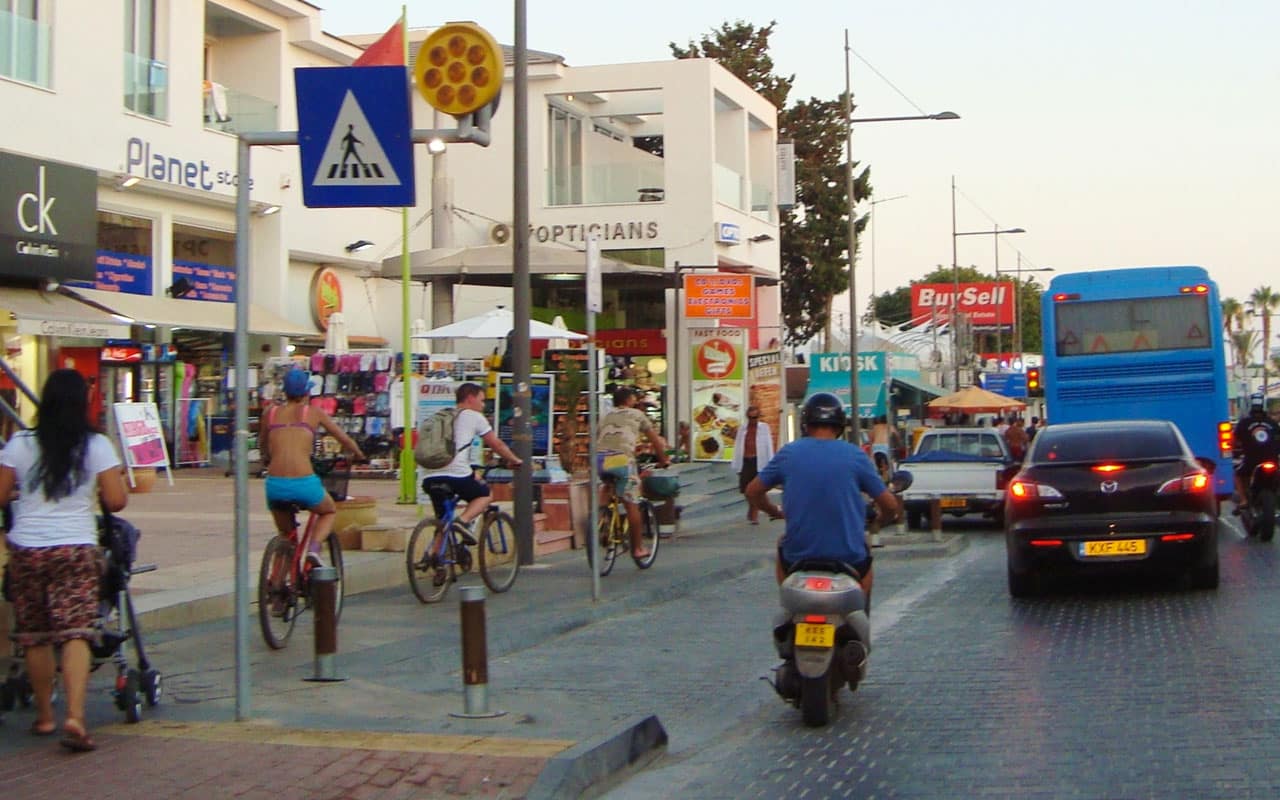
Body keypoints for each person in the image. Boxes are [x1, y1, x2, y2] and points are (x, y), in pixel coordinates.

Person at [0, 369, 128, 752]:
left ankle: (44, 717)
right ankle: (75, 716)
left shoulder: (20, 443)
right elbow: (117, 500)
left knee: (36, 635)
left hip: (27, 550)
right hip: (75, 549)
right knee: (75, 633)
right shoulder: (96, 445)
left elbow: (1, 493)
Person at [746, 392, 900, 607]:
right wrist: (881, 520)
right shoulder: (855, 456)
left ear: (806, 424)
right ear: (839, 426)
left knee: (782, 543)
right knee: (865, 554)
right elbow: (890, 505)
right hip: (848, 558)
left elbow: (752, 491)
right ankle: (860, 618)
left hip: (797, 557)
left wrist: (773, 512)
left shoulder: (789, 453)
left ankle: (790, 608)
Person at [260, 369, 366, 568]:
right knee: (328, 511)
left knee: (286, 535)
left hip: (275, 485)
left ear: (285, 391)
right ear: (306, 393)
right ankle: (314, 550)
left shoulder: (270, 413)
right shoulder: (313, 412)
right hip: (303, 482)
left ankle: (277, 585)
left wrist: (267, 458)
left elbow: (263, 446)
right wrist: (359, 455)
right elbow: (343, 438)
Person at [420, 382, 522, 583]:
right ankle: (463, 521)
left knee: (443, 521)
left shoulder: (441, 416)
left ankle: (435, 558)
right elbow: (496, 444)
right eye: (482, 400)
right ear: (470, 398)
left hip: (428, 476)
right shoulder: (474, 417)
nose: (484, 405)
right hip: (455, 474)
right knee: (484, 494)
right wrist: (514, 459)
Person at [596, 387, 670, 559]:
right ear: (629, 399)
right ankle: (637, 548)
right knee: (632, 503)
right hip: (621, 459)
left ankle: (602, 517)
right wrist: (663, 460)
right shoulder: (637, 414)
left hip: (600, 459)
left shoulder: (606, 416)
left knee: (608, 484)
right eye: (634, 398)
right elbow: (656, 440)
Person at [1233, 392, 1280, 508]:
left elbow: (1234, 441)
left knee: (1238, 475)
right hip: (1272, 460)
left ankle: (1243, 500)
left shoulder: (1244, 423)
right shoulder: (1273, 423)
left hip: (1251, 461)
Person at [731, 405, 775, 524]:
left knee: (757, 488)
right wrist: (736, 463)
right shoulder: (742, 429)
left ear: (758, 416)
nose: (753, 420)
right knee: (746, 489)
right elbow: (738, 446)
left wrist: (770, 463)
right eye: (750, 417)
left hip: (758, 461)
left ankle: (754, 513)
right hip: (746, 460)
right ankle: (762, 508)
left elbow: (768, 445)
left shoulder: (764, 428)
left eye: (755, 417)